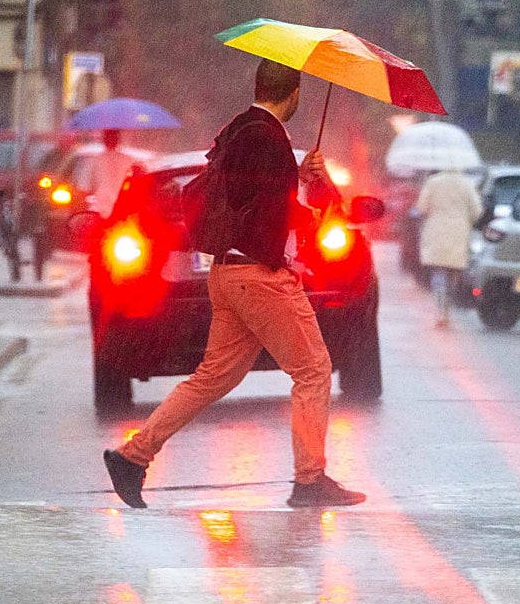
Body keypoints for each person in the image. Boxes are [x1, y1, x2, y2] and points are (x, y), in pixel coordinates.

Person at [103, 59, 366, 509]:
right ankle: (309, 480)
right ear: (295, 94)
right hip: (259, 279)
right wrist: (319, 194)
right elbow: (279, 213)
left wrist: (296, 177)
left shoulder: (238, 131)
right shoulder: (268, 139)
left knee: (212, 376)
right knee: (313, 370)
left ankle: (133, 456)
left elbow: (248, 196)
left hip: (227, 274)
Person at [414, 166, 482, 328]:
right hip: (459, 233)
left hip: (436, 231)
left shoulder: (432, 182)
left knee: (438, 271)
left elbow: (422, 208)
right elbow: (477, 211)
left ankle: (440, 311)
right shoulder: (467, 184)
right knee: (453, 273)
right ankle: (447, 309)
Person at [87, 128, 138, 218]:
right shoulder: (128, 160)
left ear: (104, 141)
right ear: (118, 140)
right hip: (124, 209)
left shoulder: (96, 160)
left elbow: (89, 186)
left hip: (102, 209)